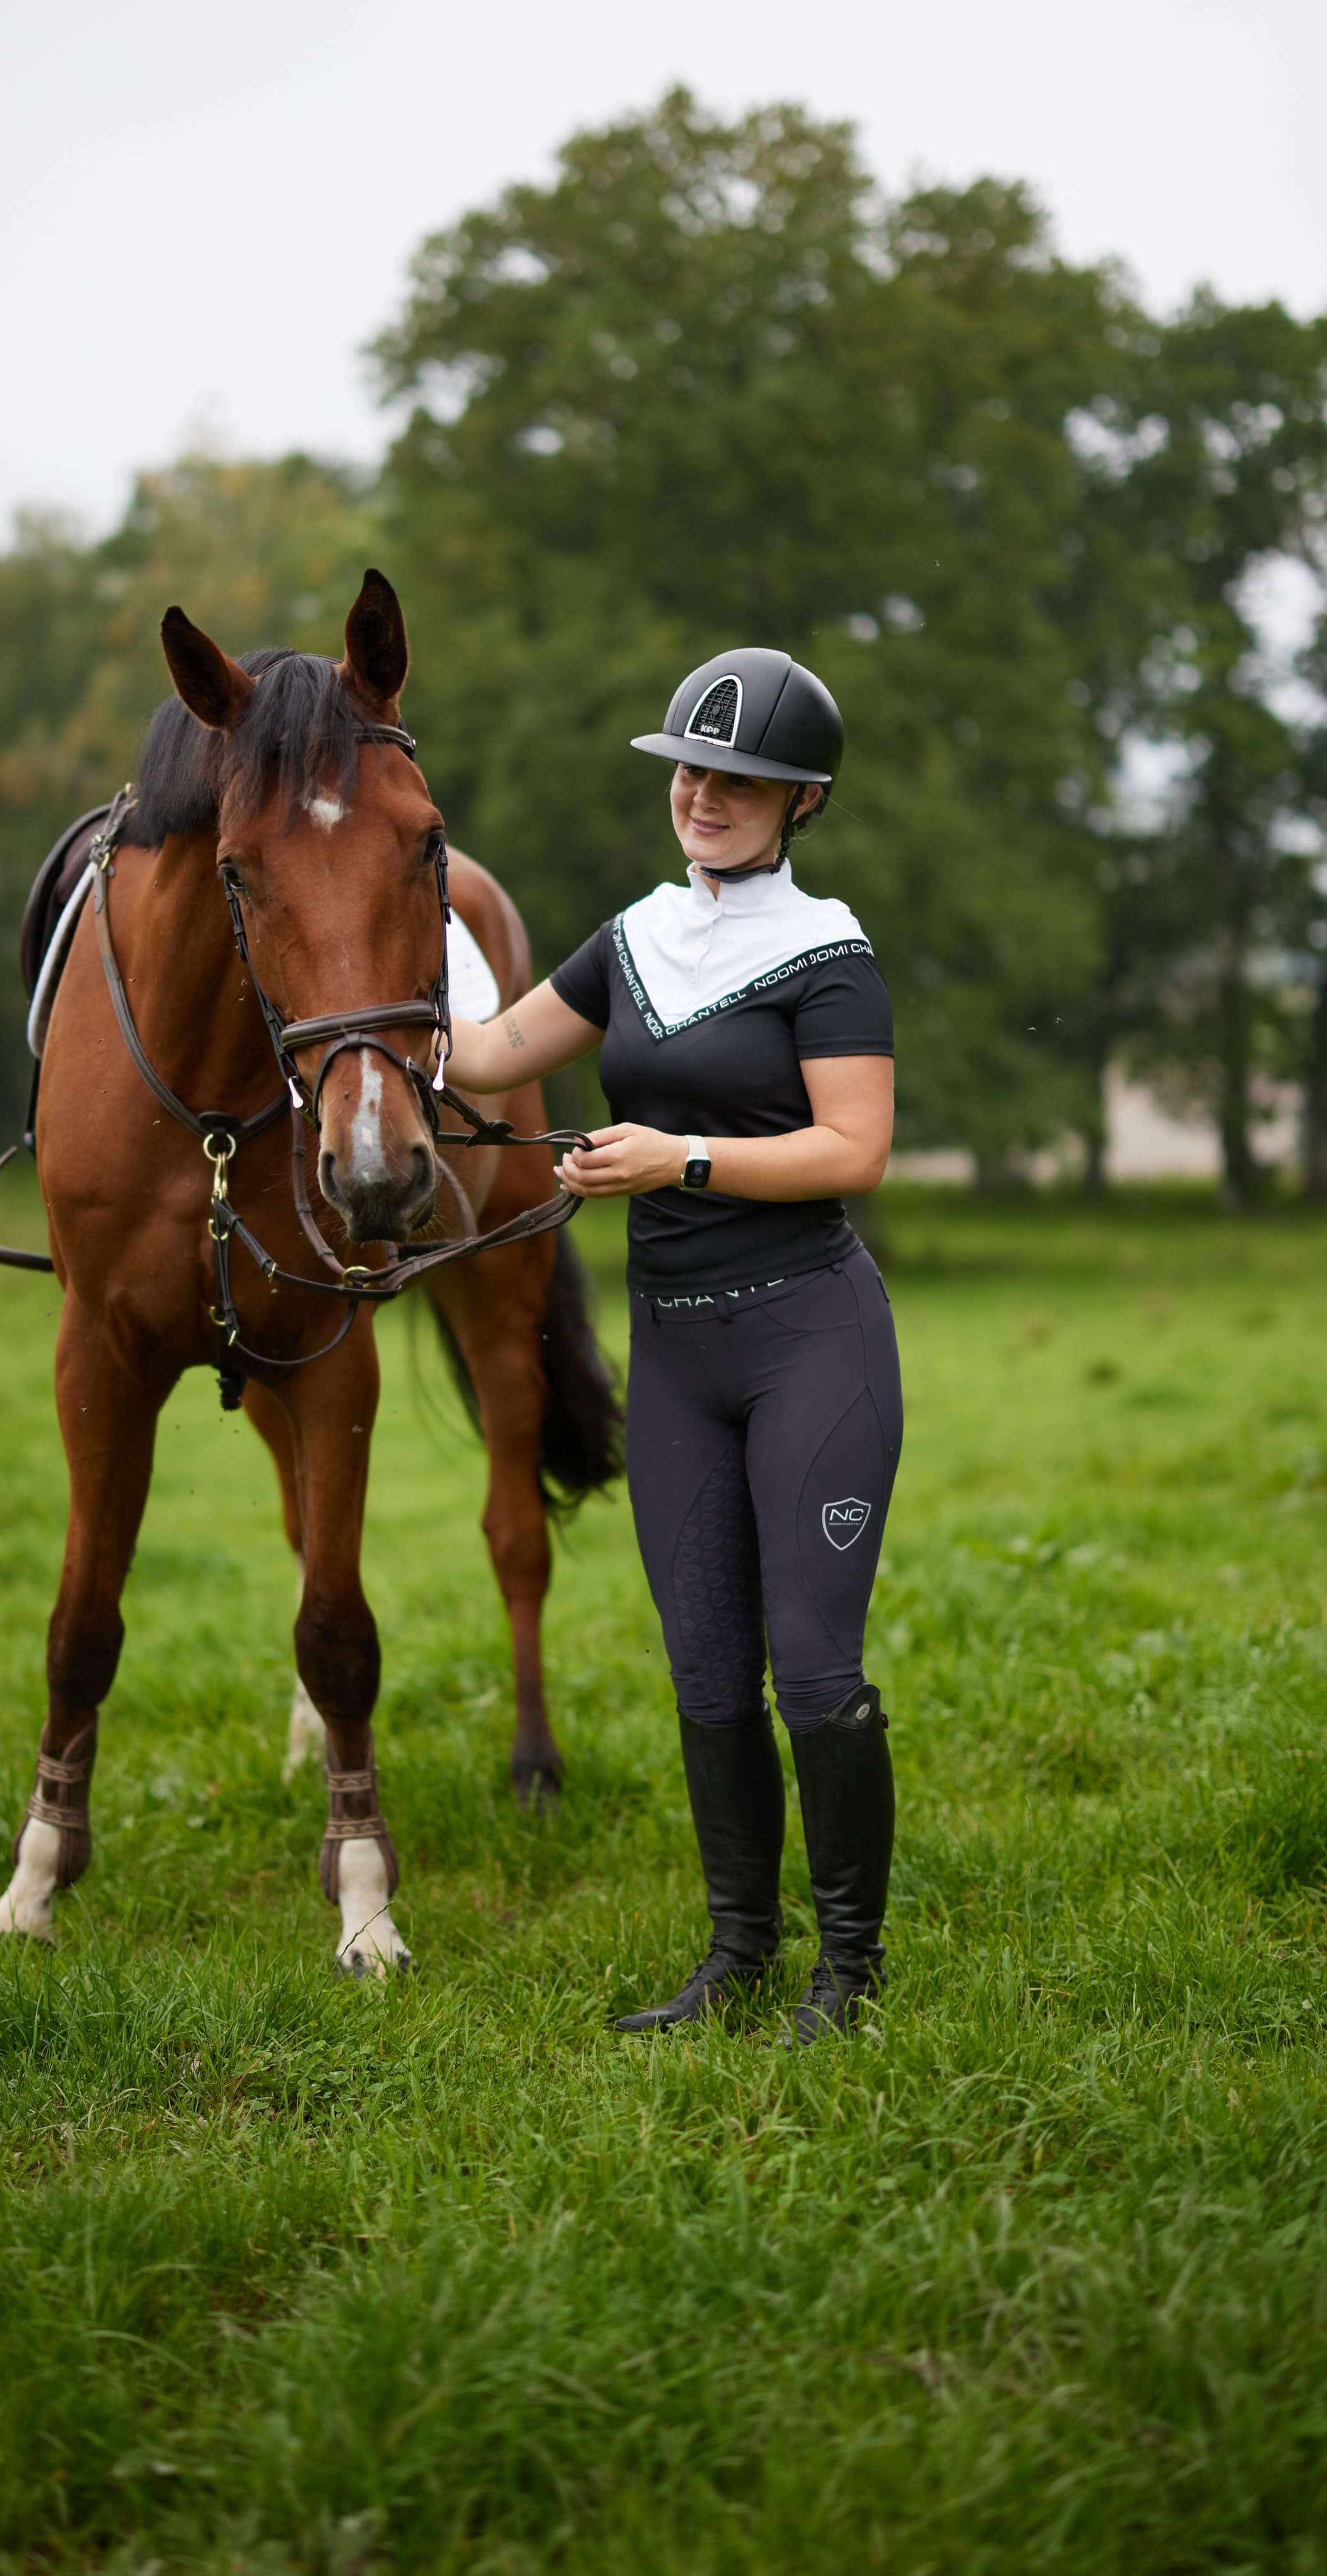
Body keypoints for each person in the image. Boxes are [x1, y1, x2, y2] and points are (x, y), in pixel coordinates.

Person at [444, 649, 900, 2040]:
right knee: (704, 1672)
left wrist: (677, 1158)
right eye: (689, 770)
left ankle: (847, 1975)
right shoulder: (631, 936)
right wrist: (396, 898)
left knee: (811, 1671)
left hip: (809, 1342)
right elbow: (480, 1057)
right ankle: (736, 1959)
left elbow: (856, 1149)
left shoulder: (826, 952)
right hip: (680, 1364)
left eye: (738, 780)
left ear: (799, 799)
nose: (701, 794)